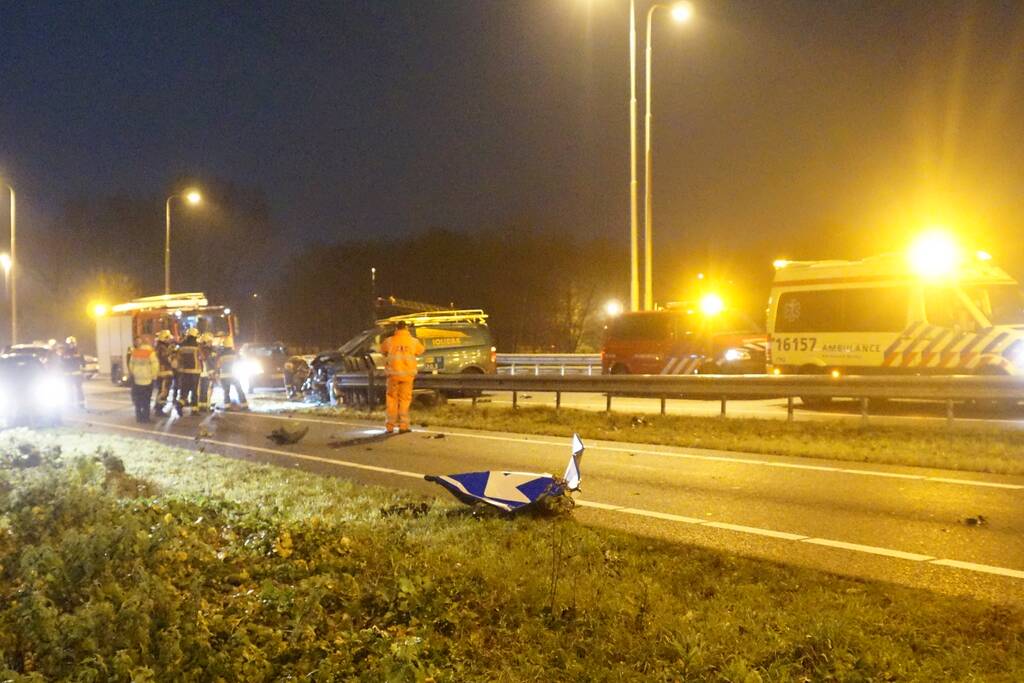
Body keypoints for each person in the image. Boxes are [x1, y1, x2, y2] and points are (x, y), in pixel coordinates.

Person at [379, 321, 425, 433]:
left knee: (391, 400)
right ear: (407, 328)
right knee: (404, 400)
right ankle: (403, 426)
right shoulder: (413, 341)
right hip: (407, 376)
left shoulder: (389, 341)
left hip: (393, 376)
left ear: (396, 329)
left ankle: (390, 426)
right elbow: (421, 350)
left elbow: (381, 350)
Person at [127, 335, 160, 423]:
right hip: (147, 379)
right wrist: (154, 376)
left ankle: (139, 417)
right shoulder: (150, 352)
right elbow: (155, 365)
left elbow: (131, 364)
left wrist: (134, 373)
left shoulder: (135, 352)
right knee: (146, 399)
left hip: (137, 379)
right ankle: (146, 417)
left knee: (138, 399)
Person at [174, 328, 202, 416]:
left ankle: (180, 404)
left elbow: (178, 357)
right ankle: (194, 410)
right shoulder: (197, 346)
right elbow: (201, 357)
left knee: (184, 390)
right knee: (194, 391)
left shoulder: (182, 346)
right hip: (195, 371)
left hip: (184, 371)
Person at [216, 341, 249, 410]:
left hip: (224, 375)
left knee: (226, 391)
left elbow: (218, 365)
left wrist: (217, 374)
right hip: (234, 375)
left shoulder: (221, 354)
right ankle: (244, 404)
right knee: (239, 389)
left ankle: (227, 406)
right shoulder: (235, 353)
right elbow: (240, 362)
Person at [59, 336, 86, 409]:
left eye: (73, 343)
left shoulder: (78, 352)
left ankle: (81, 404)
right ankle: (70, 404)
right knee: (69, 390)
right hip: (68, 375)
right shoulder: (64, 353)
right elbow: (61, 362)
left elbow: (83, 363)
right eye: (70, 344)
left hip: (76, 375)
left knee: (79, 389)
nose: (71, 345)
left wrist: (83, 369)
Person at [153, 330, 175, 416]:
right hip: (164, 373)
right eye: (168, 338)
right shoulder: (162, 348)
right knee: (163, 391)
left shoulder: (161, 347)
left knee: (163, 391)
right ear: (164, 338)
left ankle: (158, 406)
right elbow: (166, 359)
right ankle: (159, 409)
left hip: (164, 372)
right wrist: (172, 354)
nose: (170, 340)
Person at [197, 333, 216, 413]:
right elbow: (209, 362)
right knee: (208, 390)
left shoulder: (199, 349)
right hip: (207, 372)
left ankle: (202, 406)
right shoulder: (207, 350)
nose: (211, 343)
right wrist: (212, 372)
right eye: (210, 341)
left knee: (203, 390)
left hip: (201, 373)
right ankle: (206, 406)